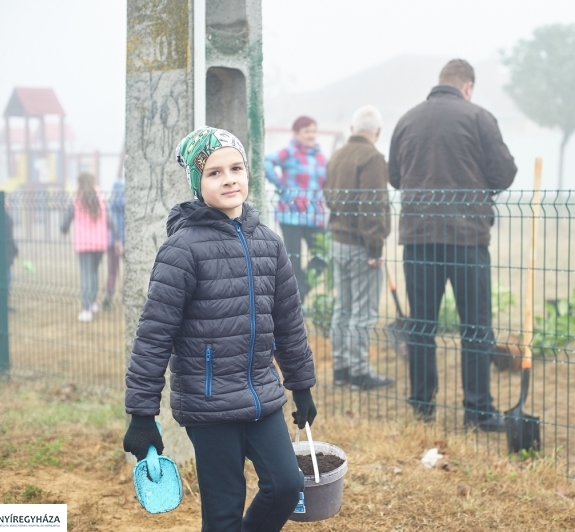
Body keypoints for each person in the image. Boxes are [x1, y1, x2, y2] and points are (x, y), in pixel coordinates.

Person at [123, 126, 317, 532]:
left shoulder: (269, 243)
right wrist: (142, 415)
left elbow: (288, 322)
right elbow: (154, 334)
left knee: (286, 484)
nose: (229, 178)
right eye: (214, 172)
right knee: (224, 510)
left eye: (236, 167)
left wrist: (301, 385)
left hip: (261, 395)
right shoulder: (182, 249)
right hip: (208, 405)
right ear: (198, 183)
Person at [388, 59, 517, 431]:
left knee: (422, 325)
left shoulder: (407, 119)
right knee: (475, 326)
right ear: (468, 87)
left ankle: (422, 406)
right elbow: (504, 173)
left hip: (418, 237)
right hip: (466, 237)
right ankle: (477, 411)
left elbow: (395, 176)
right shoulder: (479, 118)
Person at [324, 105, 393, 390]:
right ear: (377, 132)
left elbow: (328, 197)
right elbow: (373, 206)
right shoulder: (373, 157)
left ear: (353, 129)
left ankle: (342, 370)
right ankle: (360, 373)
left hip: (338, 241)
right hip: (362, 244)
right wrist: (375, 248)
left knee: (344, 309)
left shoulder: (338, 155)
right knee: (362, 313)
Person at [264, 116, 328, 302]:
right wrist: (280, 185)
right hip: (290, 215)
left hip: (314, 216)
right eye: (307, 131)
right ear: (297, 133)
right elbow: (266, 161)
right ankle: (292, 304)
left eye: (314, 131)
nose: (311, 135)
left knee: (322, 256)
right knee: (294, 263)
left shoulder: (321, 156)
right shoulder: (289, 152)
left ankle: (299, 295)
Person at [60, 172, 115, 323]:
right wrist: (116, 237)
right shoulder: (100, 196)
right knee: (94, 273)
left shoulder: (77, 198)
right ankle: (92, 302)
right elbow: (110, 218)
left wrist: (64, 229)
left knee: (86, 275)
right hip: (99, 242)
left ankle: (86, 309)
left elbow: (66, 221)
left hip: (84, 243)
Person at [102, 176, 125, 309]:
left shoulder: (110, 204)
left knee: (112, 272)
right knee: (129, 271)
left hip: (112, 243)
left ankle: (108, 298)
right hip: (125, 242)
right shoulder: (127, 204)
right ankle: (126, 297)